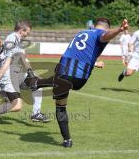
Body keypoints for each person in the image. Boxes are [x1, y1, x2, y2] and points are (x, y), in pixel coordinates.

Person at [24, 18, 128, 147]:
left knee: (60, 106)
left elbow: (79, 51)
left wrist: (118, 30)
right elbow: (105, 36)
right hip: (80, 78)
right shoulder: (98, 34)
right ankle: (67, 140)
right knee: (62, 91)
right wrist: (119, 30)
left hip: (64, 70)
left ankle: (36, 83)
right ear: (106, 27)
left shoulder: (82, 33)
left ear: (94, 26)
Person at [0, 20, 50, 126]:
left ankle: (36, 114)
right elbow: (7, 62)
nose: (27, 34)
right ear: (22, 30)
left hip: (17, 73)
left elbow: (23, 57)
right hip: (7, 76)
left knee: (37, 84)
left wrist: (31, 73)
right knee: (17, 106)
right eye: (27, 32)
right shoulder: (12, 39)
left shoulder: (17, 39)